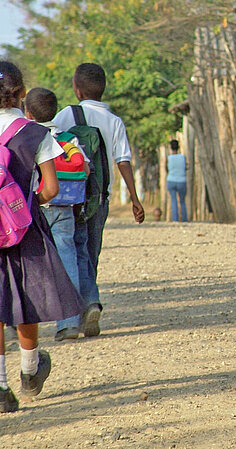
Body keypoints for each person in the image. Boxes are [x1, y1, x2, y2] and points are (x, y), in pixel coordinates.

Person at [0, 61, 84, 413]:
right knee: (26, 304)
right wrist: (26, 204)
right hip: (25, 232)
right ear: (23, 94)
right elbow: (51, 187)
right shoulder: (36, 134)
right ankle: (30, 372)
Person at [54, 63, 146, 336]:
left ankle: (81, 309)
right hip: (100, 198)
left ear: (77, 89)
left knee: (73, 253)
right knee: (91, 254)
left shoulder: (65, 115)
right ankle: (89, 307)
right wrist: (135, 198)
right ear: (104, 89)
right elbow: (123, 161)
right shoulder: (115, 121)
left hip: (69, 198)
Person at [25, 87, 96, 341]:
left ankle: (22, 320)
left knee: (32, 265)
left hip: (37, 208)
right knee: (68, 262)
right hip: (65, 208)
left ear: (28, 112)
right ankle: (69, 323)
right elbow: (85, 169)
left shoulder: (28, 138)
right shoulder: (67, 137)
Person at [167, 139, 188, 222]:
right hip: (182, 181)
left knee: (173, 200)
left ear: (170, 148)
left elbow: (167, 168)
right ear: (178, 147)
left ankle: (175, 220)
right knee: (182, 201)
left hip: (171, 180)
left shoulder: (169, 158)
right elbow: (185, 167)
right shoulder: (183, 157)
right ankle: (184, 220)